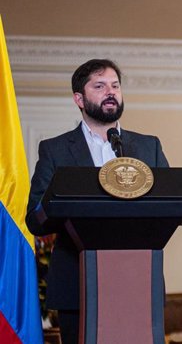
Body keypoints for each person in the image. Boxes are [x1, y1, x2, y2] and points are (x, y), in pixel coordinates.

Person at [26, 59, 169, 344]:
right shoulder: (55, 150)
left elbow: (169, 202)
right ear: (79, 98)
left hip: (137, 281)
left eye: (115, 86)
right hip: (78, 283)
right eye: (100, 86)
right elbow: (35, 217)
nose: (110, 92)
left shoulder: (148, 146)